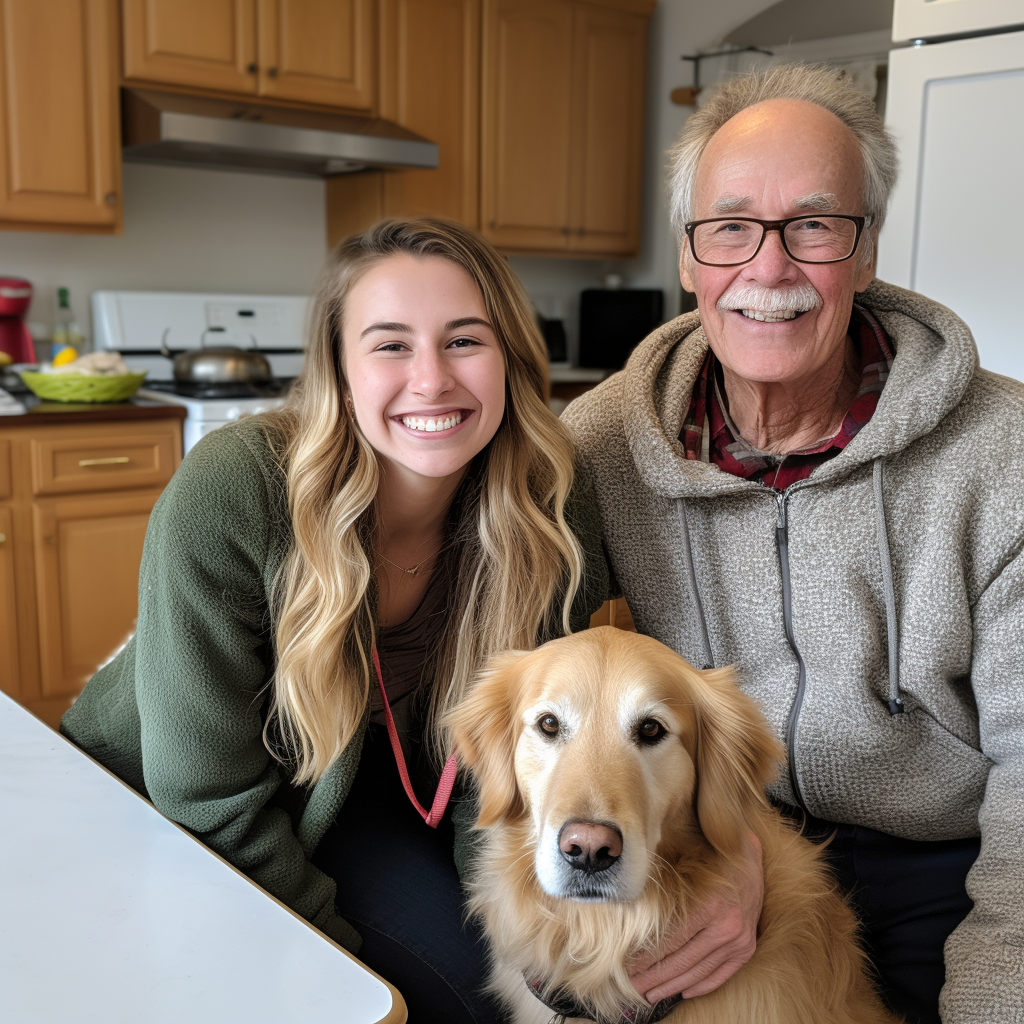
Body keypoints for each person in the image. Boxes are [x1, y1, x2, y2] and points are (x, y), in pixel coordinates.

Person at [564, 63, 1024, 1024]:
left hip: (951, 858)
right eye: (729, 228)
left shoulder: (1006, 454)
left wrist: (994, 989)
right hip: (719, 838)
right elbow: (503, 641)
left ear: (863, 253)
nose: (767, 270)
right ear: (690, 259)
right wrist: (734, 854)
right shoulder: (601, 444)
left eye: (814, 226)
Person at [61, 218, 608, 1023]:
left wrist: (528, 943)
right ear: (340, 372)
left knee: (505, 995)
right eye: (390, 345)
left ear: (513, 360)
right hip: (156, 809)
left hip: (362, 792)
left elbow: (504, 770)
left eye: (464, 340)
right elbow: (208, 799)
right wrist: (338, 972)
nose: (431, 380)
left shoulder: (552, 510)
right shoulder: (236, 491)